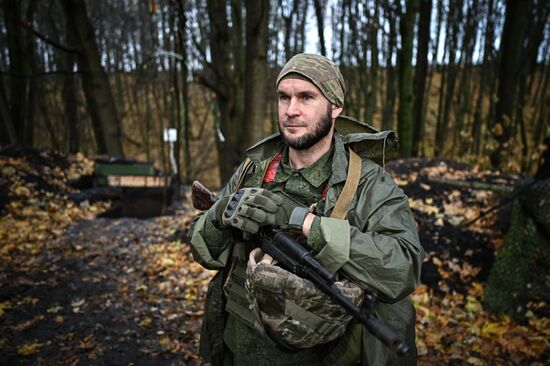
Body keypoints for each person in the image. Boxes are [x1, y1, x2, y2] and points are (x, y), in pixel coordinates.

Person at [188, 53, 425, 365]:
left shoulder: (368, 183)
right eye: (284, 97)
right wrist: (220, 215)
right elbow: (204, 252)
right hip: (239, 349)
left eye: (306, 97)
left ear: (335, 106)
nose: (291, 110)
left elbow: (403, 267)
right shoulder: (254, 168)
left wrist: (305, 222)